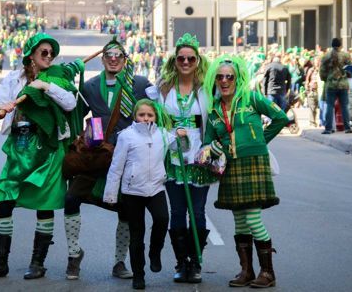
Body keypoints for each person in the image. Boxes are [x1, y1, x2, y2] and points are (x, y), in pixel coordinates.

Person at [0, 33, 85, 280]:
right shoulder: (14, 78)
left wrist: (45, 86)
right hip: (20, 146)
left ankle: (38, 263)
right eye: (43, 52)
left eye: (51, 53)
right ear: (31, 55)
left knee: (44, 204)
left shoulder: (57, 77)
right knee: (3, 197)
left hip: (49, 148)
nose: (48, 56)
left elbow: (69, 103)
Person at [63, 36, 151, 280]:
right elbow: (75, 114)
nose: (113, 59)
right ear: (102, 59)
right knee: (71, 199)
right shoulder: (90, 86)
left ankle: (119, 262)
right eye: (109, 56)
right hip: (96, 155)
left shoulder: (140, 84)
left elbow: (157, 111)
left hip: (126, 158)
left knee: (125, 210)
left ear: (125, 60)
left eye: (118, 56)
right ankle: (73, 255)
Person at [202, 55, 288, 288]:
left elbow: (280, 118)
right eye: (219, 77)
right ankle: (247, 271)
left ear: (237, 78)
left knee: (252, 217)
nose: (224, 80)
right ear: (214, 80)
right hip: (231, 167)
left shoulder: (251, 98)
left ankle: (268, 273)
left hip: (253, 163)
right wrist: (212, 148)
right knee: (239, 220)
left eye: (229, 76)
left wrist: (260, 141)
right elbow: (208, 142)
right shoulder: (214, 110)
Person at [146, 33, 215, 284]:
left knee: (197, 212)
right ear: (174, 60)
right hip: (172, 155)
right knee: (177, 212)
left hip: (199, 156)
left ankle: (195, 262)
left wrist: (209, 146)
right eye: (181, 58)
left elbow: (215, 119)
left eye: (190, 58)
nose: (185, 62)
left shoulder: (208, 88)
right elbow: (152, 119)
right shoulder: (162, 88)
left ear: (198, 61)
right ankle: (180, 262)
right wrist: (170, 134)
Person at [103, 99, 186, 290]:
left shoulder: (163, 135)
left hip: (155, 188)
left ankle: (155, 252)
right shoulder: (126, 136)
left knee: (162, 219)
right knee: (136, 235)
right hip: (132, 190)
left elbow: (180, 147)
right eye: (141, 115)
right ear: (135, 116)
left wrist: (181, 136)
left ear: (155, 117)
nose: (145, 118)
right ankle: (138, 275)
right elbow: (116, 166)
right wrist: (111, 194)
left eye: (150, 115)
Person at [320, 38, 352, 134]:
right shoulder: (346, 55)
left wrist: (326, 79)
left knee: (330, 106)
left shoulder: (326, 56)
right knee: (344, 106)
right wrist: (347, 76)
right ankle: (347, 128)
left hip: (331, 85)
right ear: (340, 45)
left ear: (332, 45)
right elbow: (350, 69)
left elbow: (322, 71)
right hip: (343, 84)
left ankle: (328, 128)